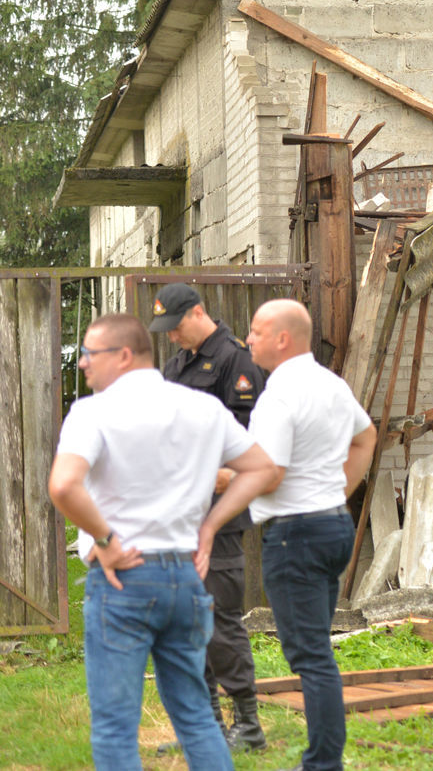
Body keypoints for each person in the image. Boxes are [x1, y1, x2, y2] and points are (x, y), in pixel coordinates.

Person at [48, 313, 277, 770]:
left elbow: (63, 486)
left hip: (123, 580)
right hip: (185, 580)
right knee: (195, 716)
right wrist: (210, 525)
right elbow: (264, 470)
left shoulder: (94, 412)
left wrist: (106, 538)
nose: (83, 365)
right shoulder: (202, 408)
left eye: (90, 354)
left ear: (125, 355)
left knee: (115, 724)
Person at [246, 299, 376, 771]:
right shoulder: (331, 384)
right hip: (331, 524)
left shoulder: (279, 395)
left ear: (283, 338)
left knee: (312, 657)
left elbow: (271, 473)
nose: (248, 339)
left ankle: (322, 764)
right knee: (317, 647)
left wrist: (219, 479)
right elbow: (367, 437)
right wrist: (335, 490)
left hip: (295, 535)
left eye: (257, 331)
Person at [148, 282, 270, 752]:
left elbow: (246, 448)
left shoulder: (236, 362)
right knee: (185, 621)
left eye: (176, 326)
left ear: (198, 312)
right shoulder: (177, 365)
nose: (172, 337)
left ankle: (249, 725)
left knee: (219, 619)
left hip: (215, 517)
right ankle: (206, 726)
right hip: (178, 516)